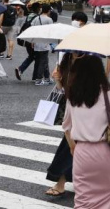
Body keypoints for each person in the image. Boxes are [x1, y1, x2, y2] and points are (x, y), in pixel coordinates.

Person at [62, 55, 110, 207]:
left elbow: (66, 127)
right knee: (109, 197)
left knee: (83, 200)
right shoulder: (106, 92)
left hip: (82, 153)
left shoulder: (72, 95)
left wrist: (72, 146)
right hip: (106, 151)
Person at [45, 51, 77, 197]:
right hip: (71, 109)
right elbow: (61, 90)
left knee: (71, 147)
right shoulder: (65, 60)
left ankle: (61, 182)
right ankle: (62, 181)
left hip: (86, 109)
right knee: (70, 146)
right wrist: (58, 79)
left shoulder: (89, 61)